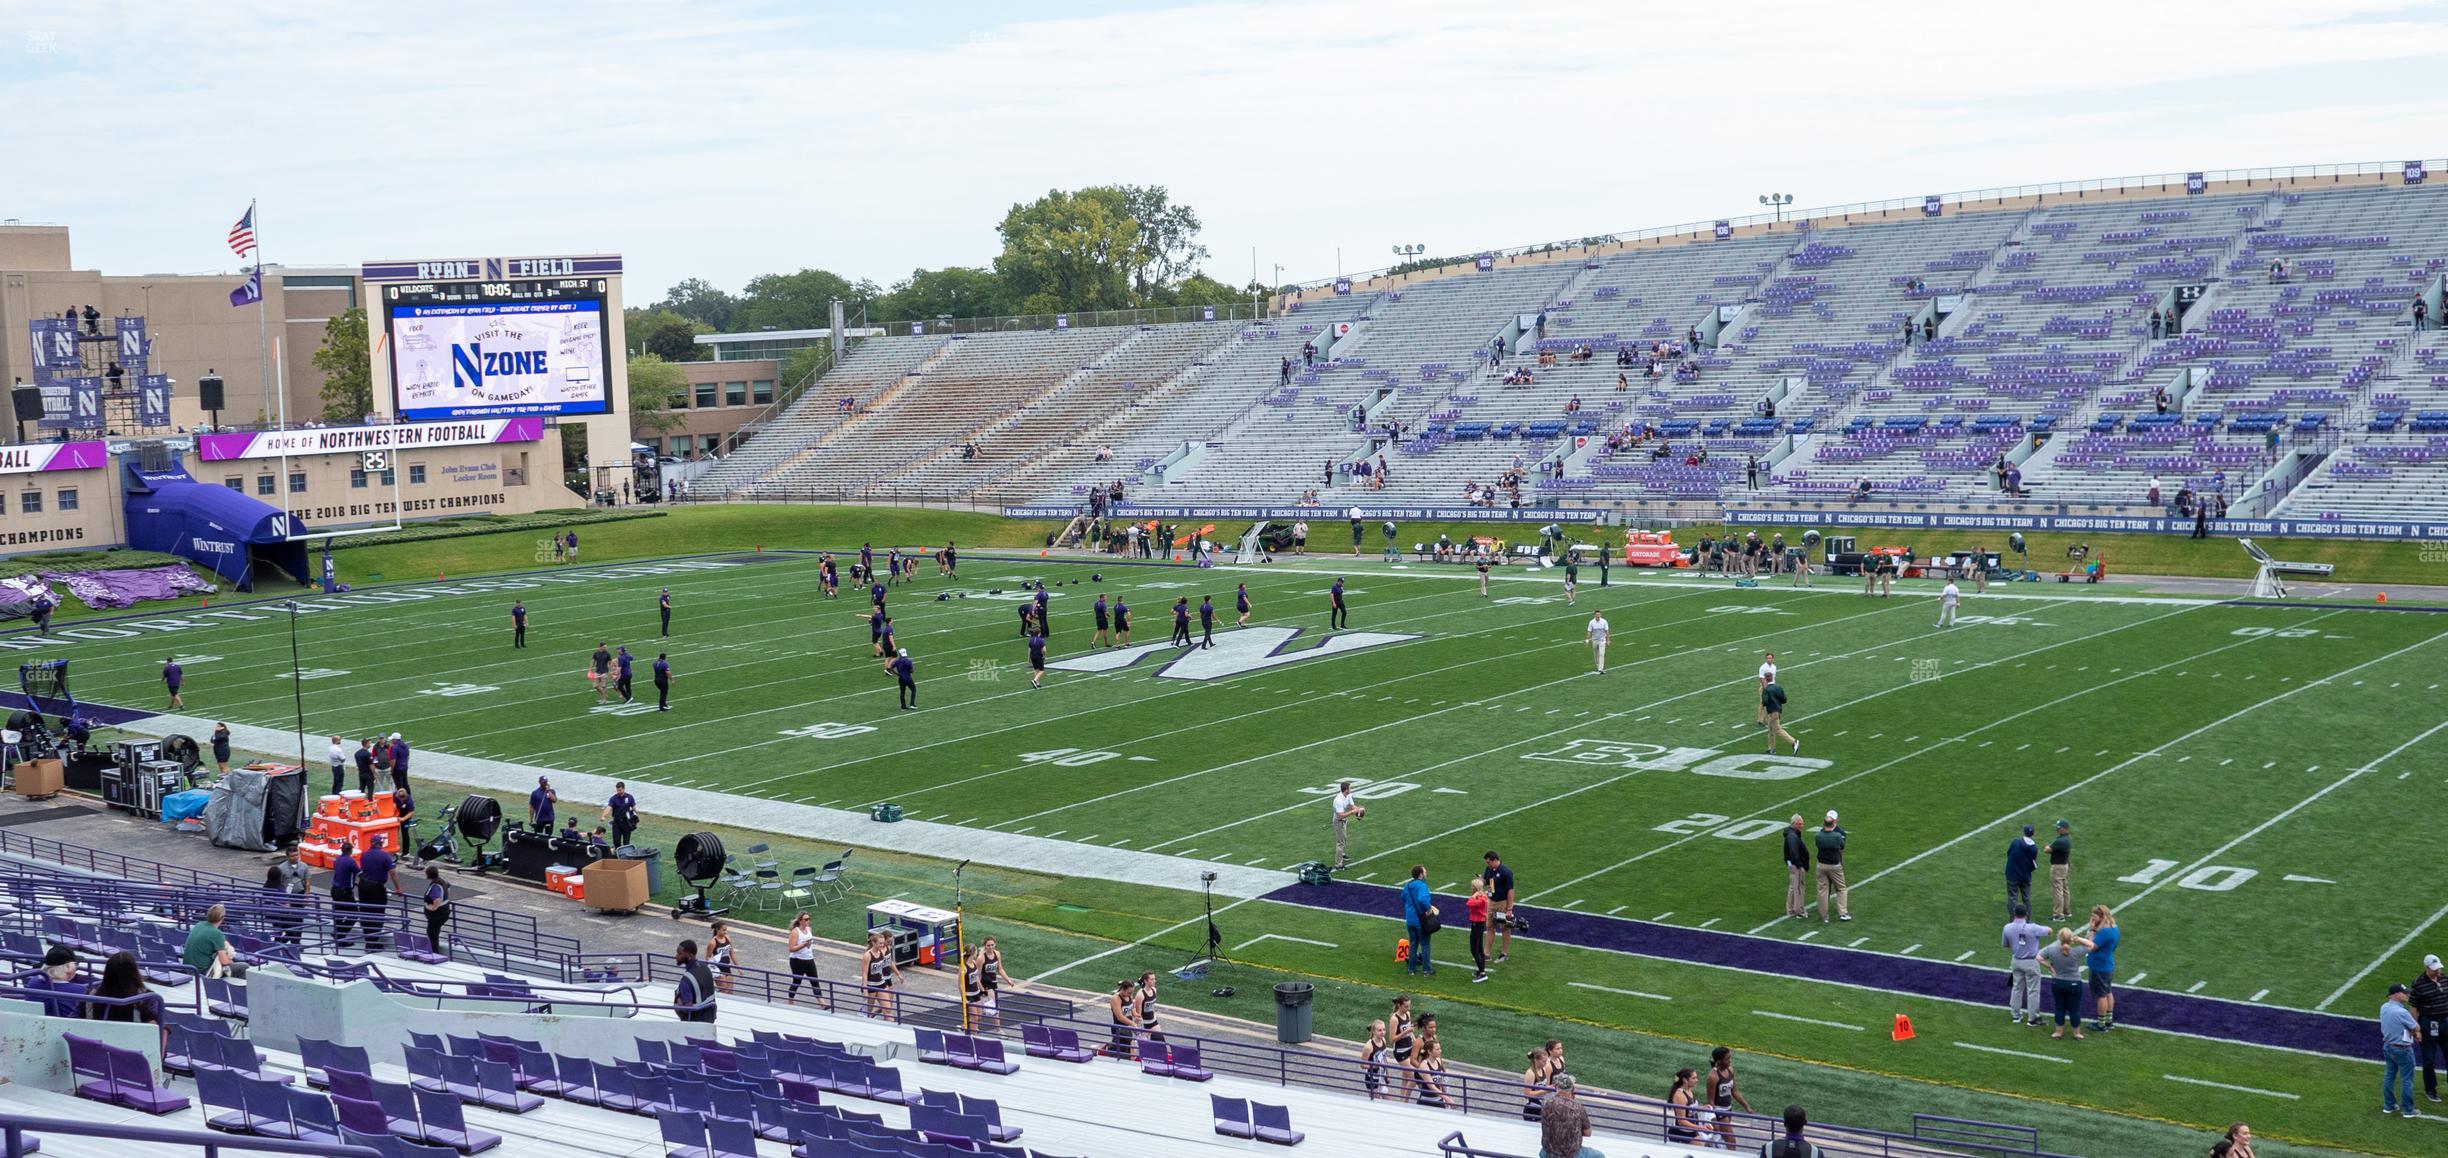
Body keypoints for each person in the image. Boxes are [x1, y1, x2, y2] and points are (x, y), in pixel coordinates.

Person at [87, 950, 161, 1037]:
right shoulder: (148, 998)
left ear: (107, 973)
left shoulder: (91, 995)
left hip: (94, 1045)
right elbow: (154, 1031)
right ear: (134, 972)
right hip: (133, 1047)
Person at [2073, 905, 2120, 1031]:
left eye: (2094, 917)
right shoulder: (2114, 929)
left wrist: (2090, 932)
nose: (2092, 920)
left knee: (2101, 996)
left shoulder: (2104, 932)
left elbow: (2091, 946)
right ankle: (2108, 1021)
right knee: (2108, 992)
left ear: (2102, 917)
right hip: (2107, 964)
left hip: (2099, 966)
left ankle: (2101, 1024)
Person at [2004, 905, 2047, 1025]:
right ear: (2026, 914)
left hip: (2016, 960)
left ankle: (2015, 1015)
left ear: (2014, 913)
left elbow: (2005, 944)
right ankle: (2033, 1018)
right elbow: (2049, 931)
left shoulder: (2007, 927)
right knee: (2033, 990)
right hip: (2031, 961)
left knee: (2017, 988)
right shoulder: (2032, 928)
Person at [2040, 925, 2085, 1040]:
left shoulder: (2051, 949)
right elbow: (2091, 945)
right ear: (2071, 938)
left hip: (2058, 982)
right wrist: (2079, 939)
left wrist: (2050, 967)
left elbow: (2038, 957)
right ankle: (2076, 1033)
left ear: (2059, 938)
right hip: (2074, 983)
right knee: (2074, 1009)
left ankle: (2058, 1033)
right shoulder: (2076, 951)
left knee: (2059, 1008)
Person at [2384, 983, 2422, 1117]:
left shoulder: (2384, 1007)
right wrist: (2416, 1031)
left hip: (2388, 1046)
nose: (2407, 994)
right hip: (2402, 1049)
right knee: (2407, 1079)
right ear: (2395, 994)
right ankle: (2408, 1110)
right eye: (2404, 992)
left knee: (2389, 1076)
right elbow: (2416, 1026)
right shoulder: (2401, 1012)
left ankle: (2389, 1105)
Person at [2414, 953, 2448, 1103]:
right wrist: (2416, 1028)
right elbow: (2414, 1007)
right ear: (2426, 967)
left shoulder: (2445, 979)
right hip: (2429, 1022)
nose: (2437, 972)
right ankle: (2431, 1089)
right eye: (2434, 969)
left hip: (2445, 1021)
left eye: (2438, 968)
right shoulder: (2418, 984)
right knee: (2429, 1058)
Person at [1706, 1046, 1753, 1149]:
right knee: (1731, 1140)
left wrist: (1746, 1106)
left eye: (1730, 1058)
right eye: (1727, 1059)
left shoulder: (1730, 1070)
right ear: (1719, 1060)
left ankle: (1708, 1144)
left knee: (1722, 1135)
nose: (1730, 1061)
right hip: (1719, 1111)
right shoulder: (1713, 1077)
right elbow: (1710, 1101)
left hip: (1728, 1108)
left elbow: (1735, 1091)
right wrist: (1713, 1119)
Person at [358, 835, 397, 952]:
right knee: (378, 913)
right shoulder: (385, 856)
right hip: (376, 887)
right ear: (380, 843)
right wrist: (398, 888)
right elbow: (393, 873)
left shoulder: (364, 854)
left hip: (363, 885)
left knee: (365, 912)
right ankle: (372, 943)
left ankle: (368, 941)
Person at [26, 945, 88, 1018]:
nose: (76, 967)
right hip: (66, 1028)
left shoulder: (33, 982)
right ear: (67, 967)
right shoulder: (79, 990)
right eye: (75, 964)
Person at [1482, 850, 1518, 964]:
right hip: (1491, 902)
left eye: (1488, 862)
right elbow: (1486, 881)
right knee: (1489, 927)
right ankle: (1486, 953)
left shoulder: (1506, 872)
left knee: (1504, 928)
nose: (1487, 865)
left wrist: (1509, 908)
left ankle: (1504, 953)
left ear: (1494, 860)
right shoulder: (1489, 869)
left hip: (1502, 903)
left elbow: (1511, 891)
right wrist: (1479, 881)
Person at [1814, 811, 1850, 922]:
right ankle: (1842, 913)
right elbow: (1841, 847)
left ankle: (1824, 916)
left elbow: (1818, 845)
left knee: (1822, 890)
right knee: (1841, 888)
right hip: (1834, 865)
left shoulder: (1818, 835)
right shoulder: (1838, 835)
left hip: (1821, 865)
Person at [1402, 864, 1438, 975]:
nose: (1426, 874)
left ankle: (1411, 969)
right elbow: (1422, 899)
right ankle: (1427, 970)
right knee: (1425, 944)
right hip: (1421, 920)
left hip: (1410, 919)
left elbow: (1403, 897)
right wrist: (1428, 908)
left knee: (1413, 944)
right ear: (1421, 875)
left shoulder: (1407, 885)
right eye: (1425, 872)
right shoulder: (1422, 886)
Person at [184, 904, 234, 978]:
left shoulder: (199, 925)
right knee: (243, 967)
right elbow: (224, 961)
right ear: (222, 919)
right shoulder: (217, 934)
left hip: (187, 968)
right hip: (202, 971)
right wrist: (231, 962)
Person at [674, 940, 717, 1024]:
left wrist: (677, 1000)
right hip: (710, 1016)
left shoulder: (686, 981)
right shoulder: (705, 968)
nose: (676, 956)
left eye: (680, 954)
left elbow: (687, 1010)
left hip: (695, 1021)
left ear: (689, 955)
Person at [862, 930, 902, 1020]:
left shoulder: (882, 952)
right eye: (880, 943)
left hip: (881, 984)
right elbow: (864, 974)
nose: (882, 945)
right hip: (870, 985)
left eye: (883, 943)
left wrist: (896, 975)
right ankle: (866, 1020)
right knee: (868, 1010)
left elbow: (888, 963)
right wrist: (864, 989)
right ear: (873, 943)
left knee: (888, 1009)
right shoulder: (867, 955)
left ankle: (890, 1026)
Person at [785, 912, 820, 1005]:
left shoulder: (809, 929)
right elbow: (791, 949)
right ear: (800, 921)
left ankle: (822, 1003)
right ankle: (791, 999)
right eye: (806, 919)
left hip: (809, 958)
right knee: (797, 981)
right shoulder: (795, 932)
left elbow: (808, 945)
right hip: (797, 960)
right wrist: (804, 944)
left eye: (809, 919)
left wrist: (807, 944)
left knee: (815, 980)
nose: (808, 921)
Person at [1665, 1068, 1704, 1148]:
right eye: (1694, 1078)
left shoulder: (1689, 1090)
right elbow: (1681, 1121)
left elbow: (1690, 1109)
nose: (1697, 1080)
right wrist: (1700, 1128)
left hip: (1690, 1131)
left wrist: (1703, 1108)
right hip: (1681, 1132)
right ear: (1685, 1080)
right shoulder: (1680, 1096)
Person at [1782, 814, 1812, 919]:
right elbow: (1795, 853)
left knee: (1793, 887)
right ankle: (1799, 911)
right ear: (1794, 823)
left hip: (1792, 864)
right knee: (1798, 888)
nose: (1802, 826)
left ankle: (1790, 910)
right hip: (1796, 865)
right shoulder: (1792, 836)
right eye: (1800, 824)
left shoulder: (1792, 834)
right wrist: (1801, 865)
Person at [2006, 824, 2039, 919]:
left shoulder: (2016, 842)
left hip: (2012, 875)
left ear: (2023, 832)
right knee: (2027, 898)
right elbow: (2032, 862)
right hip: (2025, 876)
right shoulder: (2034, 848)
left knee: (2012, 898)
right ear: (2033, 834)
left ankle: (2013, 919)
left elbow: (2009, 853)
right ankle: (2027, 919)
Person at [2046, 819, 2075, 921]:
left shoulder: (2061, 841)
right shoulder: (2068, 839)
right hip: (2065, 865)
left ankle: (2058, 914)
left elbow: (2047, 850)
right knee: (2065, 889)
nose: (2057, 829)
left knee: (2058, 890)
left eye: (2058, 828)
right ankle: (2066, 911)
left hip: (2058, 867)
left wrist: (2047, 846)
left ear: (2064, 829)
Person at [1331, 781, 1364, 869]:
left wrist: (1359, 810)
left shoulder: (1348, 795)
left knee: (1344, 839)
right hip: (1338, 821)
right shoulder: (1338, 800)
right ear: (1346, 790)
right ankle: (1338, 864)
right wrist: (1352, 812)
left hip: (1344, 820)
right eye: (1350, 788)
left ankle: (1341, 854)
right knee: (1340, 843)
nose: (1351, 789)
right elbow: (1340, 815)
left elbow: (1352, 805)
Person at [1105, 977, 1140, 1058]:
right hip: (1119, 1028)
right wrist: (1132, 1023)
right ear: (1123, 989)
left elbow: (1132, 1007)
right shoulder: (1116, 998)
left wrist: (1135, 1015)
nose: (1130, 994)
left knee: (1130, 1048)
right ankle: (1107, 1051)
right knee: (1120, 1051)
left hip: (1128, 1027)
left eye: (1132, 992)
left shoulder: (1129, 994)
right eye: (1129, 992)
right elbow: (1119, 1017)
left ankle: (1130, 1061)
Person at [420, 864, 451, 954]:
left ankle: (434, 953)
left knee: (432, 934)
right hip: (445, 911)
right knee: (434, 934)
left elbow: (437, 899)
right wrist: (446, 899)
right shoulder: (443, 881)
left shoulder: (435, 886)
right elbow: (448, 887)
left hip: (437, 915)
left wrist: (431, 908)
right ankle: (434, 952)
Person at [1465, 877, 1491, 983]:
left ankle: (1482, 973)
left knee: (1474, 949)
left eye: (1472, 886)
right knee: (1479, 948)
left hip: (1477, 924)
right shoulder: (1482, 897)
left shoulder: (1480, 899)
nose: (1471, 888)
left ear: (1476, 888)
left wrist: (1474, 896)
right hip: (1478, 923)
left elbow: (1469, 903)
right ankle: (1481, 970)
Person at [1762, 679, 1798, 755]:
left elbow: (1764, 702)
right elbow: (1784, 700)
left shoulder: (1766, 689)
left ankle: (1793, 742)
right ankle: (1771, 749)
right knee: (1771, 730)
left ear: (1766, 680)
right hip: (1778, 711)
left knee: (1777, 729)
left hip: (1772, 712)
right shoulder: (1778, 688)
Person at [1363, 1021, 1394, 1101]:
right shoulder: (1368, 1046)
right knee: (1377, 1104)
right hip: (1372, 1078)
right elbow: (1362, 1065)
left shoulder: (1383, 1040)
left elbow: (1384, 1057)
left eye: (1384, 1030)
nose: (1382, 1032)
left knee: (1390, 1102)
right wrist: (1374, 1066)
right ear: (1373, 1031)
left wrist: (1388, 1074)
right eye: (1379, 1030)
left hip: (1383, 1076)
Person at [605, 782, 639, 850]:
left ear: (623, 789)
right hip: (616, 823)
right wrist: (604, 816)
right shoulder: (613, 798)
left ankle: (625, 857)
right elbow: (609, 807)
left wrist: (636, 820)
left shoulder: (629, 797)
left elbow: (634, 809)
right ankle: (618, 856)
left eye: (620, 790)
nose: (618, 792)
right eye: (617, 790)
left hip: (626, 823)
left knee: (626, 842)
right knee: (616, 841)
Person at [707, 921, 737, 994]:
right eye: (723, 930)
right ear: (717, 929)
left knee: (730, 992)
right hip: (718, 969)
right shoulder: (713, 942)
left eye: (726, 930)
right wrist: (713, 967)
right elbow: (707, 957)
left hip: (727, 967)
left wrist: (738, 967)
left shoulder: (727, 938)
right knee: (724, 991)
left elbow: (732, 953)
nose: (725, 932)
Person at [1585, 609, 1608, 674]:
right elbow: (1589, 632)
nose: (1598, 616)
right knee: (1596, 655)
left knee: (1601, 654)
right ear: (1594, 615)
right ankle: (1598, 667)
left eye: (1599, 614)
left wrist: (1608, 640)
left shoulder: (1604, 621)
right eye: (1597, 614)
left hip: (1602, 640)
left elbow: (1607, 631)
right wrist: (1587, 640)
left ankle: (1601, 668)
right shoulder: (1591, 622)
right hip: (1594, 640)